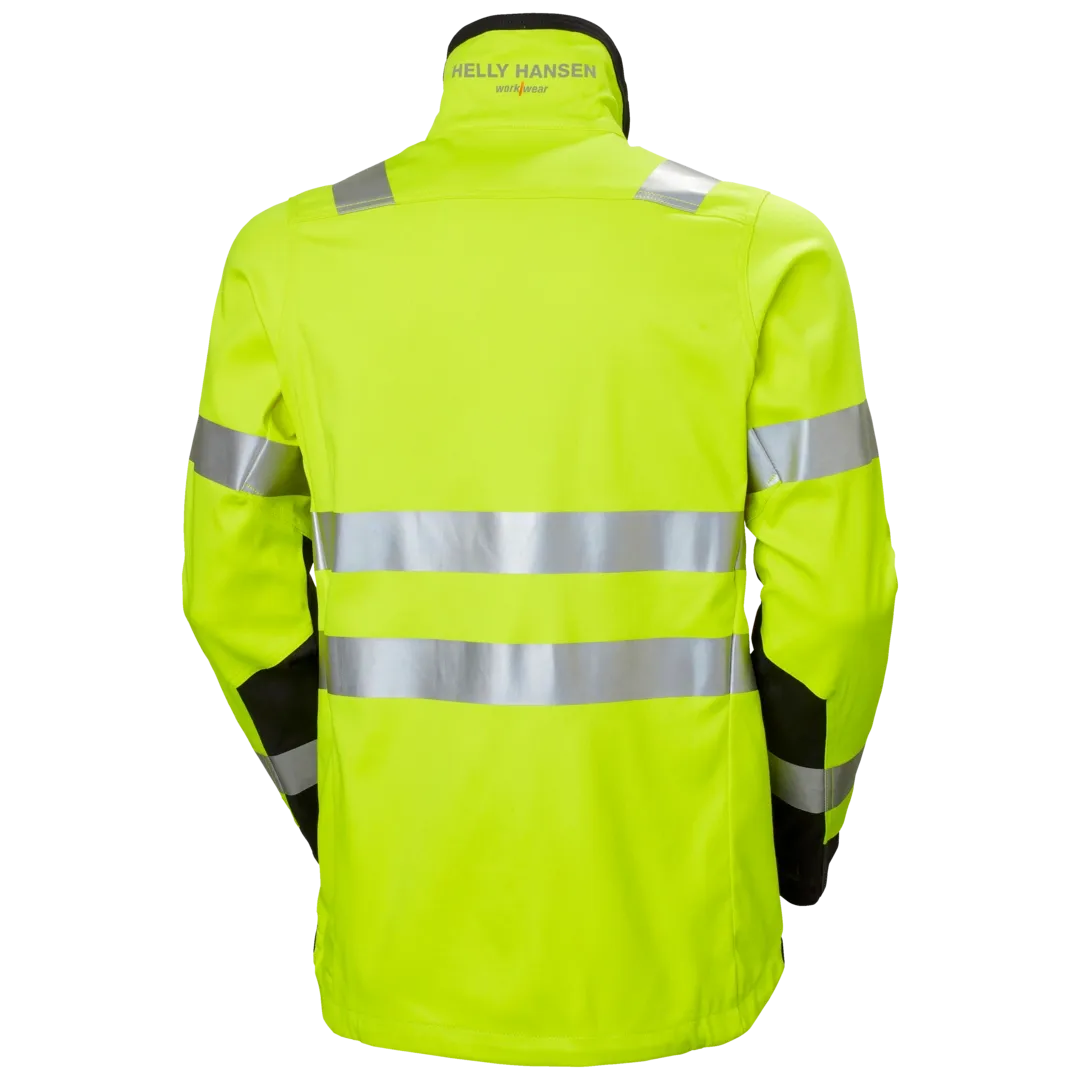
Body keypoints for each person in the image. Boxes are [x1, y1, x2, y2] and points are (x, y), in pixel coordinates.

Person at [180, 9, 899, 1068]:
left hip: (401, 929)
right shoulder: (763, 245)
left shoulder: (284, 253)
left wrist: (331, 809)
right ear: (611, 90)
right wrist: (799, 830)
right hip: (678, 935)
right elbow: (838, 602)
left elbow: (227, 594)